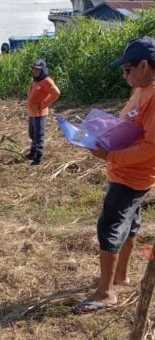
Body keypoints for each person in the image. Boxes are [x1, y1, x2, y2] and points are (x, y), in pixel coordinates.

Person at [74, 36, 155, 314]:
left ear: (144, 65)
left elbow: (151, 146)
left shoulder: (154, 96)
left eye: (127, 69)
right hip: (126, 172)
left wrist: (110, 155)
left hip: (131, 176)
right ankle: (119, 275)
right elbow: (133, 126)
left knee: (109, 226)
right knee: (130, 224)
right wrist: (104, 128)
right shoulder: (142, 90)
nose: (124, 75)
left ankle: (105, 293)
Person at [26, 59, 60, 165]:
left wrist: (44, 103)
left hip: (40, 113)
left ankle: (38, 156)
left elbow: (56, 93)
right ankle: (33, 151)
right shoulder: (34, 81)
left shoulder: (47, 81)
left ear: (43, 70)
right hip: (32, 112)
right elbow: (30, 94)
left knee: (38, 134)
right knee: (32, 133)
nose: (35, 71)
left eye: (38, 70)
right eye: (34, 69)